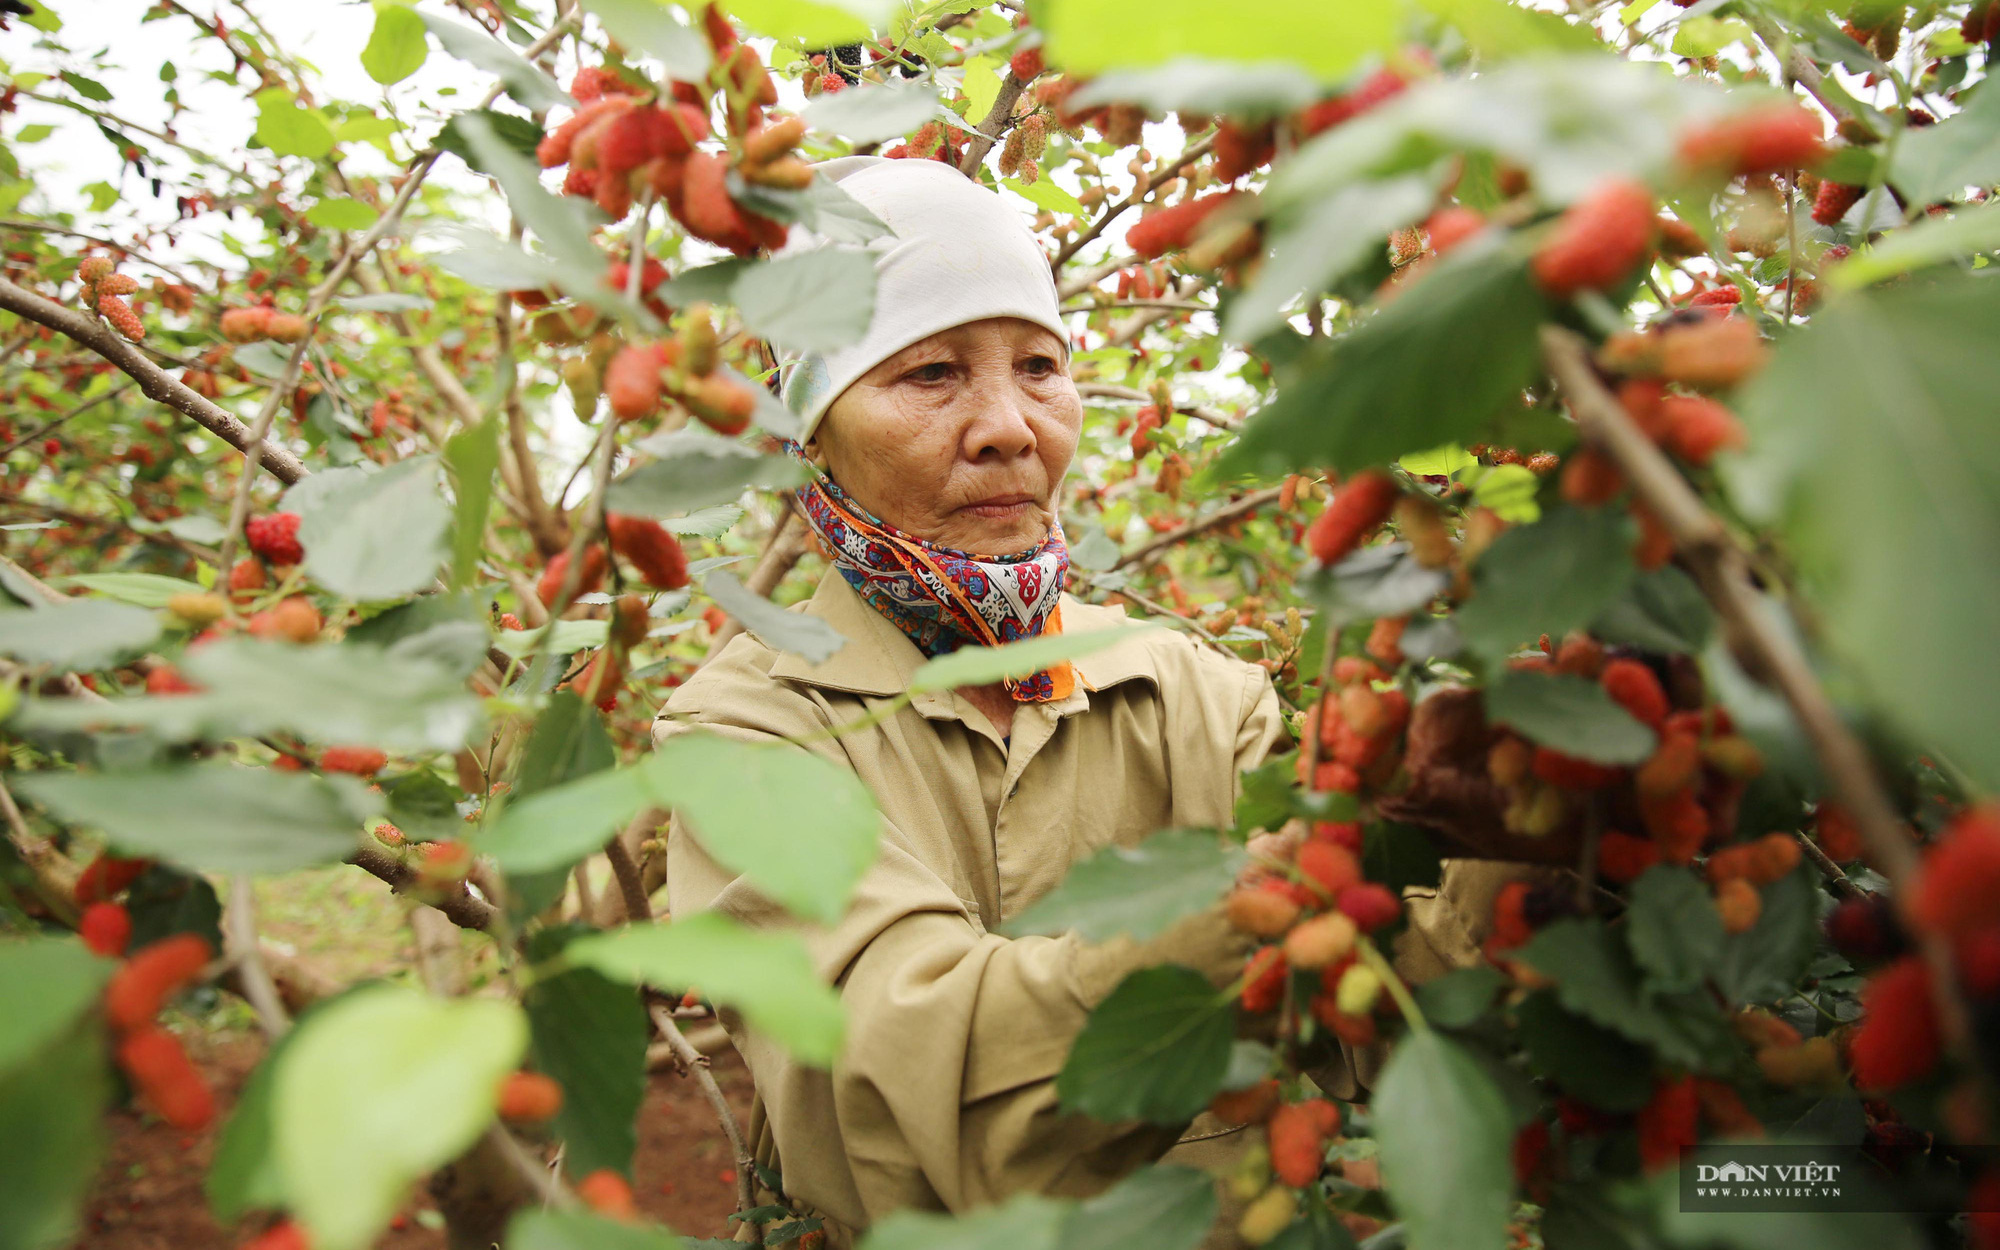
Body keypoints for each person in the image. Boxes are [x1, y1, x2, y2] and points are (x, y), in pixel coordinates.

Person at [652, 157, 1519, 1247]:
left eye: (1039, 366)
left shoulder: (1195, 693)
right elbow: (915, 1132)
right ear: (810, 435)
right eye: (928, 373)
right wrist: (1282, 884)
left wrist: (1512, 828)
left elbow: (1407, 997)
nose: (1009, 425)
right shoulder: (742, 739)